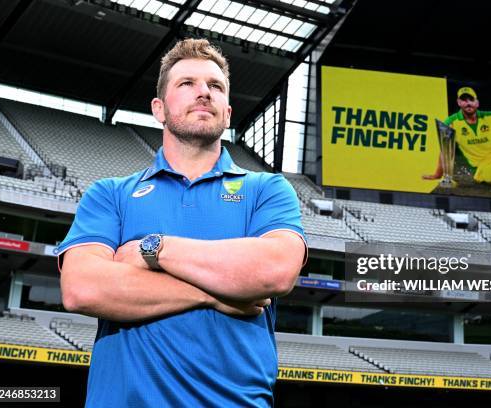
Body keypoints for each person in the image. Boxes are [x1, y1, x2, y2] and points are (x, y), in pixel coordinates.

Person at [57, 38, 306, 407]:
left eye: (215, 86)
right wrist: (214, 293)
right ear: (159, 108)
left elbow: (275, 271)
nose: (203, 93)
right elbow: (82, 288)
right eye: (186, 84)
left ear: (227, 110)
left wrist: (153, 248)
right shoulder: (110, 194)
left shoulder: (267, 189)